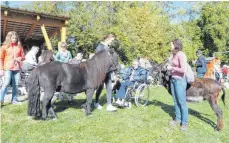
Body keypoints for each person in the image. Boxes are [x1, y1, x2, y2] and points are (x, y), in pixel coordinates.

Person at [166, 39, 188, 131]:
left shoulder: (181, 55)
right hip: (173, 80)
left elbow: (183, 69)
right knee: (175, 101)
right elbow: (173, 65)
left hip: (180, 81)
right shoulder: (174, 55)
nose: (170, 46)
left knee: (182, 102)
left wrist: (172, 68)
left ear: (176, 45)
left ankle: (184, 123)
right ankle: (177, 120)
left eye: (171, 44)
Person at [0, 31, 25, 105]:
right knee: (6, 83)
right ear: (9, 38)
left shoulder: (19, 46)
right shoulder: (4, 47)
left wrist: (20, 58)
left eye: (15, 38)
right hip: (7, 67)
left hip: (17, 68)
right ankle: (1, 99)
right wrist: (1, 69)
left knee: (16, 84)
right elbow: (1, 58)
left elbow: (23, 57)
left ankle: (14, 100)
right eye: (12, 38)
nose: (14, 39)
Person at [94, 34, 117, 112]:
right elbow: (97, 59)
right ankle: (96, 102)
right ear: (108, 39)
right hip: (101, 71)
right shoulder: (100, 46)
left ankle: (109, 105)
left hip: (108, 70)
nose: (112, 42)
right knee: (100, 87)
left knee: (109, 87)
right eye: (112, 40)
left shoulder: (108, 47)